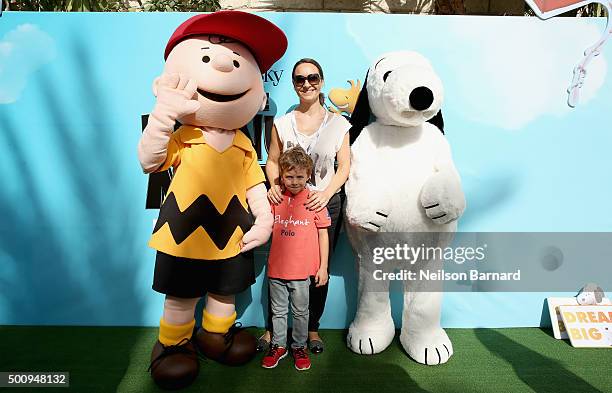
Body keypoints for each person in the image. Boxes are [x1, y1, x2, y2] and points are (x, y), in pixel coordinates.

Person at [137, 11, 286, 390]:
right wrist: (163, 116)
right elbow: (149, 161)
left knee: (224, 293)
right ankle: (173, 344)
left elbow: (255, 187)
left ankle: (215, 335)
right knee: (181, 295)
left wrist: (265, 221)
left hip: (230, 236)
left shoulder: (244, 145)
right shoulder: (184, 136)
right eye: (206, 57)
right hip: (182, 231)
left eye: (236, 61)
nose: (222, 63)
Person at [260, 58, 351, 354]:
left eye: (312, 78)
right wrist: (274, 185)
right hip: (288, 207)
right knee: (280, 264)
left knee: (317, 269)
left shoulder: (338, 124)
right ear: (294, 84)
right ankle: (273, 329)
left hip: (325, 204)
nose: (306, 83)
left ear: (321, 81)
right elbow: (272, 160)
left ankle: (312, 328)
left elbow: (344, 167)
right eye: (300, 79)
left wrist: (325, 194)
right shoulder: (283, 123)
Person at [261, 147, 330, 371]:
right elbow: (262, 224)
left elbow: (322, 234)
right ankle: (279, 346)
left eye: (300, 176)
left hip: (302, 273)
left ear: (308, 175)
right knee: (278, 312)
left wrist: (323, 267)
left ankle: (299, 347)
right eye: (289, 176)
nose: (294, 181)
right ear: (281, 175)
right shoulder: (274, 197)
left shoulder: (314, 200)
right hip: (277, 270)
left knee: (301, 312)